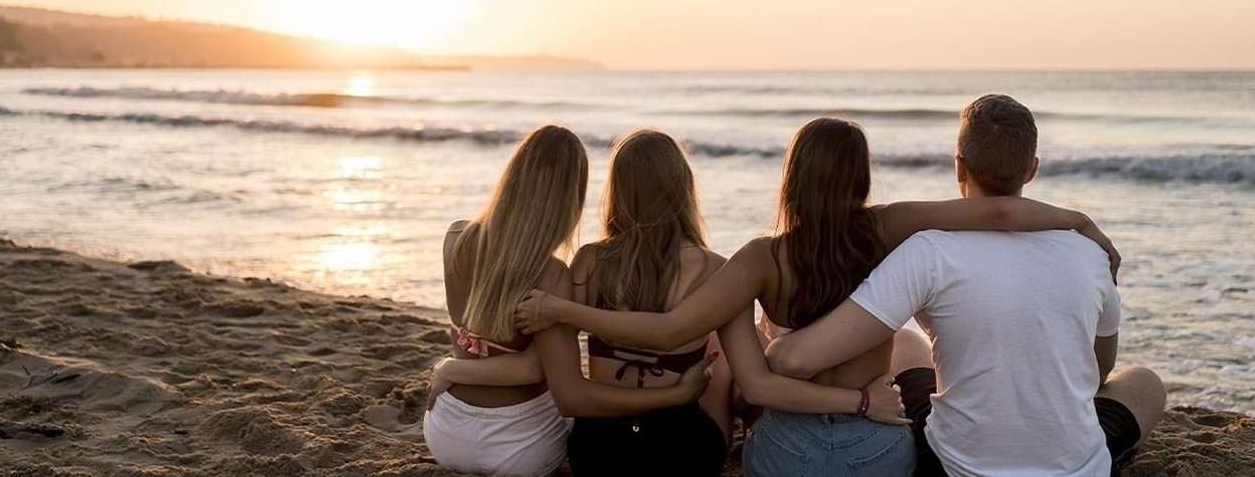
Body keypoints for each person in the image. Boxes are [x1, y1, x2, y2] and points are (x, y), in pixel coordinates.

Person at [515, 118, 1119, 475]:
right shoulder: (887, 226)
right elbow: (999, 209)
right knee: (906, 341)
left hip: (786, 452)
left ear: (792, 176)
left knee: (760, 352)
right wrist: (1080, 221)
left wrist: (563, 309)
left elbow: (680, 334)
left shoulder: (759, 259)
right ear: (861, 179)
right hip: (878, 448)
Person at [441, 129, 904, 476]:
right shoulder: (718, 269)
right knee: (721, 361)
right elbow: (749, 381)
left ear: (617, 192)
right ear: (684, 187)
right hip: (683, 448)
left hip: (600, 449)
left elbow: (561, 384)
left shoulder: (585, 264)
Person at [763, 95, 1168, 477]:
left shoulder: (928, 249)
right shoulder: (1090, 254)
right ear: (1032, 169)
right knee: (1143, 381)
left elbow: (795, 360)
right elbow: (1096, 374)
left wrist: (777, 344)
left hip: (955, 466)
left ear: (959, 167)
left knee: (905, 342)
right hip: (1076, 467)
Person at [423, 125, 597, 477]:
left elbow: (464, 339)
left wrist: (451, 367)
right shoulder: (552, 274)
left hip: (446, 430)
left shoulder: (456, 238)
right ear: (570, 197)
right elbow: (533, 368)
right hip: (520, 446)